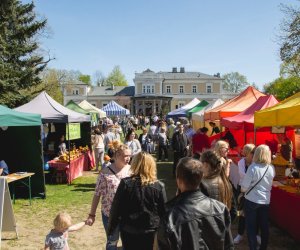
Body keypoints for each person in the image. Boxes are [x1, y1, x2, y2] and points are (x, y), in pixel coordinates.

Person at [157, 157, 234, 249]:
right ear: (201, 177)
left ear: (178, 180)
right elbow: (229, 245)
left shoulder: (169, 214)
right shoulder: (220, 208)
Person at [108, 152, 167, 250]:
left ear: (134, 164)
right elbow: (164, 213)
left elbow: (116, 208)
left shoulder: (126, 184)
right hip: (150, 231)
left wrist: (111, 229)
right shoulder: (158, 186)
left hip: (130, 231)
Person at [86, 144, 132, 250]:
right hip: (109, 214)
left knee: (128, 241)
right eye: (125, 155)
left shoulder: (132, 171)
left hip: (128, 214)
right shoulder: (105, 173)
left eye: (129, 155)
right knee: (112, 241)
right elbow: (97, 194)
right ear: (116, 155)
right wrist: (91, 214)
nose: (128, 158)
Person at [241, 144, 275, 250]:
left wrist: (243, 190)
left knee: (251, 227)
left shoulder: (253, 167)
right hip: (265, 200)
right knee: (264, 226)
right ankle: (263, 247)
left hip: (252, 200)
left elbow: (244, 187)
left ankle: (253, 247)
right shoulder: (271, 168)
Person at [233, 144, 258, 245]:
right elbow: (242, 175)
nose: (253, 155)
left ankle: (255, 234)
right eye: (252, 153)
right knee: (242, 213)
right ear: (248, 153)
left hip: (253, 189)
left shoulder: (256, 162)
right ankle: (240, 234)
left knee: (255, 213)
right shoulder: (241, 162)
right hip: (243, 190)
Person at [200, 150, 235, 220]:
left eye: (200, 163)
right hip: (222, 225)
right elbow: (233, 211)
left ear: (206, 165)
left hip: (206, 227)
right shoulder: (226, 183)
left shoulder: (200, 184)